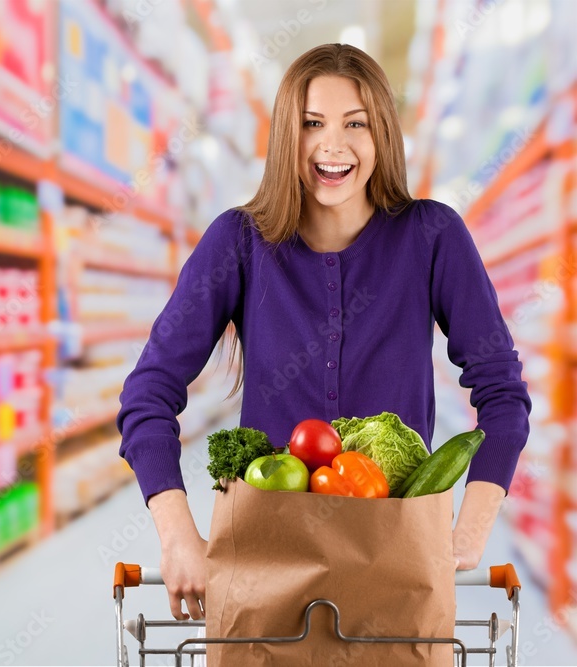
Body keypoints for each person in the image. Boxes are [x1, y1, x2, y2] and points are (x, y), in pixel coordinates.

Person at [117, 43, 532, 622]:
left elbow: (502, 392)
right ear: (287, 134)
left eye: (355, 124)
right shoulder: (238, 242)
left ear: (382, 135)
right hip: (265, 556)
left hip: (397, 557)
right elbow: (148, 392)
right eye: (311, 123)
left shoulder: (433, 237)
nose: (332, 145)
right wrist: (178, 536)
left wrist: (468, 531)